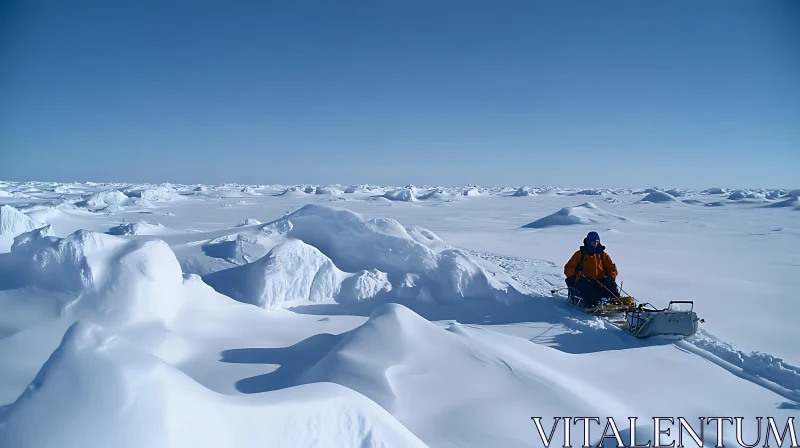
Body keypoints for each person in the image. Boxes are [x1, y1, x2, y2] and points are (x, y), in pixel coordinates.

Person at [564, 231, 620, 308]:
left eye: (597, 242)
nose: (596, 244)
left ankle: (617, 301)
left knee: (611, 284)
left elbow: (612, 268)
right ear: (588, 242)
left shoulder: (602, 254)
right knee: (585, 286)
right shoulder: (580, 254)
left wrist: (611, 276)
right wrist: (575, 269)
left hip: (599, 280)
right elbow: (567, 269)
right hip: (584, 279)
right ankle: (591, 304)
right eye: (593, 242)